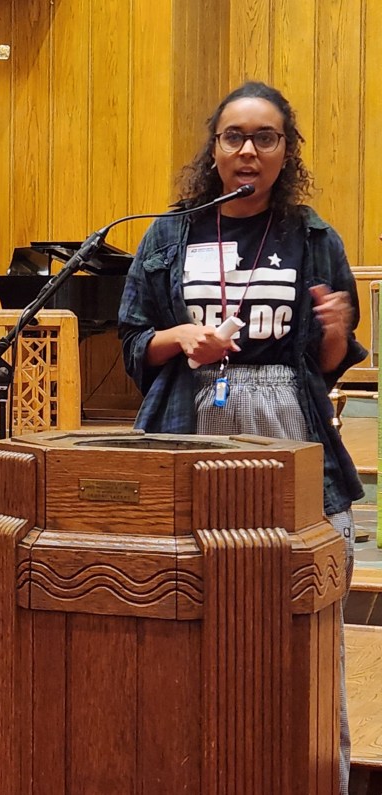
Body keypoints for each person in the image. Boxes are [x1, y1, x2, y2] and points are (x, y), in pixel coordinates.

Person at [118, 81, 365, 793]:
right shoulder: (170, 235)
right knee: (184, 620)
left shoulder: (313, 238)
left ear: (287, 152)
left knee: (307, 632)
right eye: (234, 136)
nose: (249, 150)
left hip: (289, 437)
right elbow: (133, 341)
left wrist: (337, 331)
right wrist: (178, 337)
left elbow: (328, 362)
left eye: (265, 137)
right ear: (215, 149)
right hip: (186, 432)